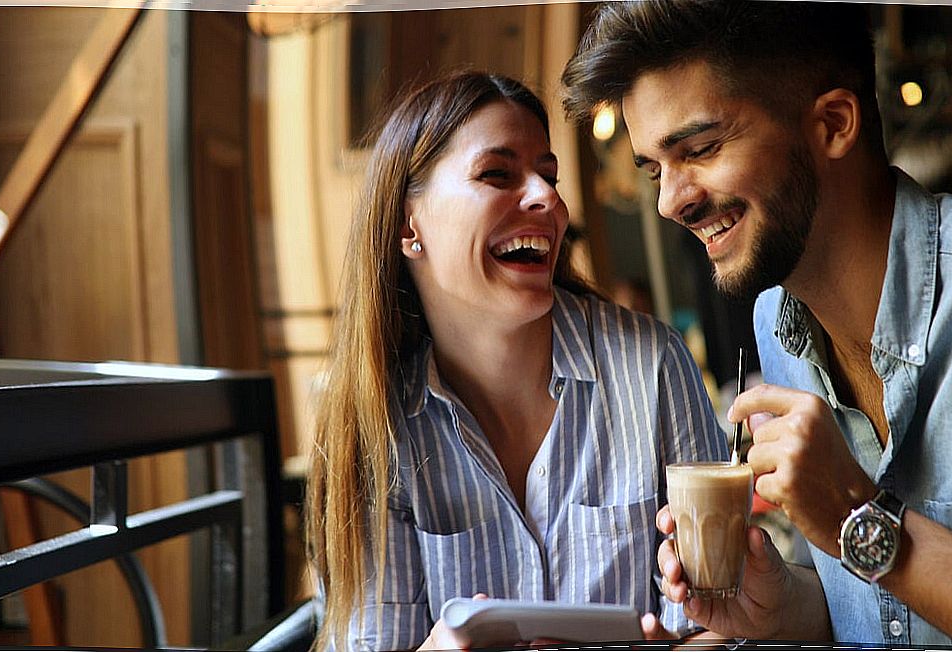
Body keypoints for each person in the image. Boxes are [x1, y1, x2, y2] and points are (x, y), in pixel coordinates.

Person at [561, 0, 952, 647]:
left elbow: (872, 545)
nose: (672, 200)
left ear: (835, 123)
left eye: (699, 149)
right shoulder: (775, 325)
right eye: (654, 170)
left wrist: (858, 518)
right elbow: (882, 610)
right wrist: (782, 605)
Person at [305, 70, 728, 651]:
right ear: (409, 224)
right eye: (497, 173)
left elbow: (723, 624)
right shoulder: (376, 424)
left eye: (549, 176)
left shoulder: (651, 365)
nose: (549, 199)